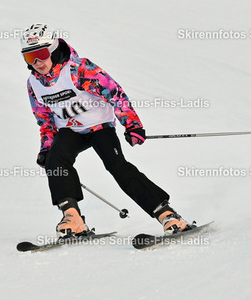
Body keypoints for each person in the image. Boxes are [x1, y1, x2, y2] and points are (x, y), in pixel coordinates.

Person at [21, 23, 190, 238]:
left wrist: (132, 124)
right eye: (30, 57)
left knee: (116, 165)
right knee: (55, 162)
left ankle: (167, 215)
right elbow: (44, 119)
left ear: (53, 50)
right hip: (70, 131)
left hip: (99, 126)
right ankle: (73, 219)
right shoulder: (34, 84)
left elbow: (114, 93)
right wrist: (46, 148)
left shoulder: (78, 69)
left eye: (41, 54)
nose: (37, 62)